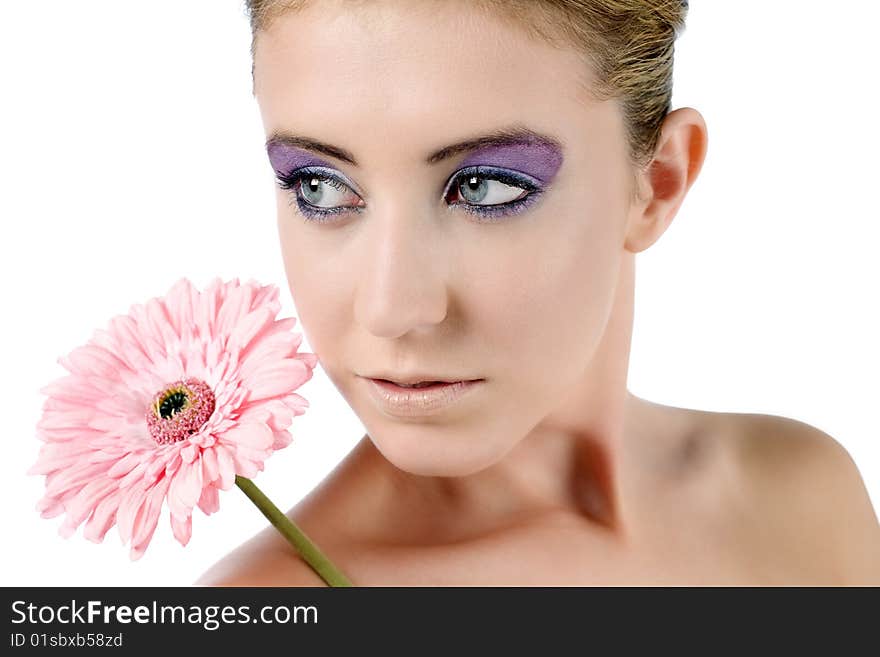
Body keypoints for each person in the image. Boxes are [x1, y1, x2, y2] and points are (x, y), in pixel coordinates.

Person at [197, 0, 880, 586]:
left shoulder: (806, 500)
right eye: (318, 186)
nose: (390, 308)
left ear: (659, 184)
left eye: (485, 186)